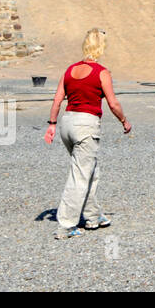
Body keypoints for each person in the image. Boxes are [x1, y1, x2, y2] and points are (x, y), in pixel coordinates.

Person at [44, 28, 132, 239]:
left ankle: (93, 216)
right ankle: (66, 225)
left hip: (67, 123)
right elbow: (113, 103)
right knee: (79, 175)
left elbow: (57, 100)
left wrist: (52, 124)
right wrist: (124, 120)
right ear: (101, 47)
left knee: (90, 171)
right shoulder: (102, 72)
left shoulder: (69, 70)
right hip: (85, 125)